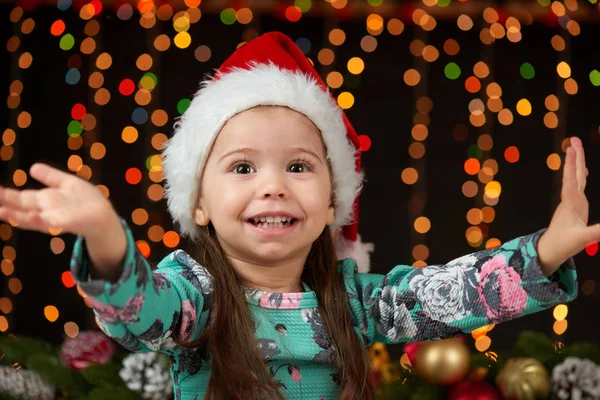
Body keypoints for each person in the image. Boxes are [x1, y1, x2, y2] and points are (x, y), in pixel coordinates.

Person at [0, 31, 596, 400]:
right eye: (242, 168)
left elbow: (453, 294)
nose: (274, 188)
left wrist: (548, 249)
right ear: (198, 204)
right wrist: (106, 235)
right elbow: (139, 315)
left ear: (333, 200)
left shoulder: (358, 300)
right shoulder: (194, 297)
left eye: (300, 167)